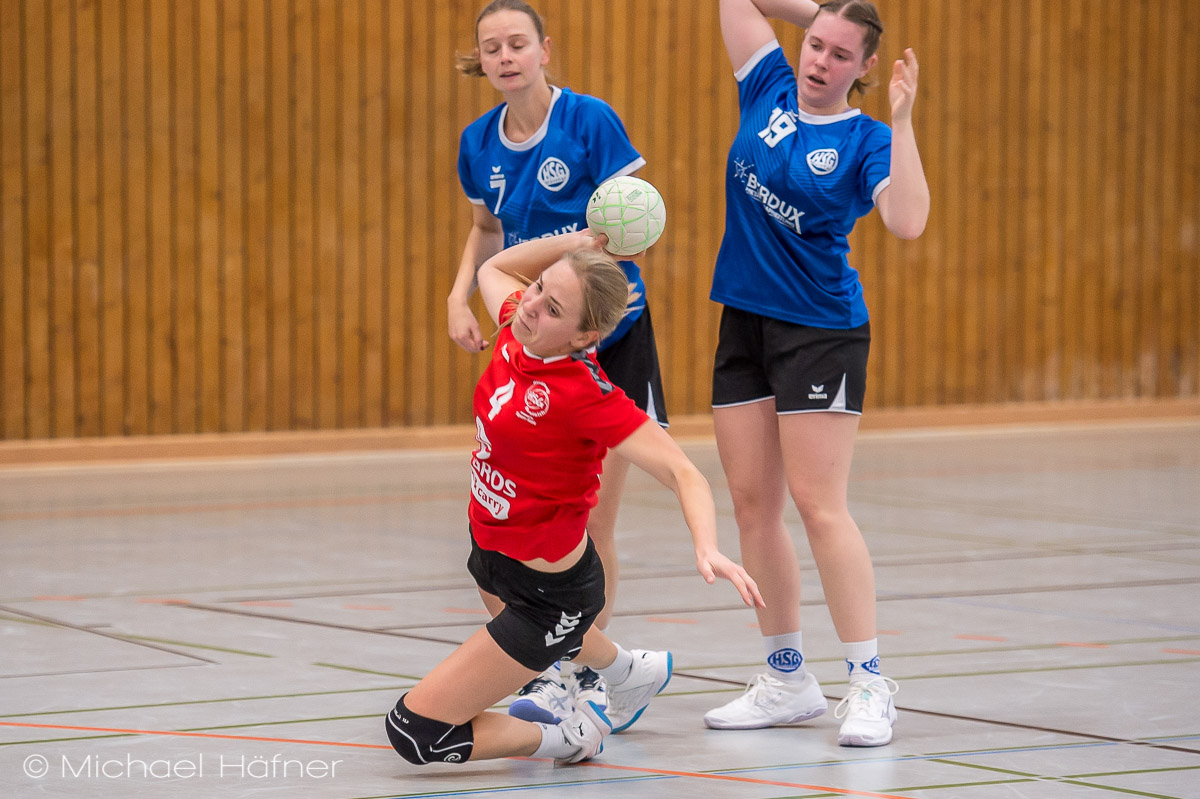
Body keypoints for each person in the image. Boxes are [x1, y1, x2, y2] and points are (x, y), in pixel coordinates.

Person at [384, 230, 763, 767]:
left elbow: (683, 471)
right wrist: (581, 241)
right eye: (538, 287)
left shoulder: (584, 394)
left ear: (585, 336)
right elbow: (494, 269)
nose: (531, 305)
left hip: (549, 596)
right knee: (549, 633)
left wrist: (707, 546)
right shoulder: (517, 328)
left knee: (416, 732)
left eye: (553, 308)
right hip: (490, 553)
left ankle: (570, 736)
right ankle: (630, 671)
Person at [702, 0, 929, 748]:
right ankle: (787, 678)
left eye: (840, 54)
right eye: (816, 44)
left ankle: (868, 682)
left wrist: (902, 121)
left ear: (865, 68)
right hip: (745, 318)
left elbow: (907, 221)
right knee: (751, 503)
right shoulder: (768, 83)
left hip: (820, 331)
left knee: (818, 503)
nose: (819, 60)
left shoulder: (866, 139)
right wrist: (826, 14)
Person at [449, 0, 672, 726]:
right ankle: (567, 672)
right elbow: (487, 231)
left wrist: (597, 256)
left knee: (590, 524)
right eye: (492, 47)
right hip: (532, 336)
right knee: (527, 525)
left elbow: (631, 225)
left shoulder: (589, 121)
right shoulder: (478, 142)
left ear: (545, 49)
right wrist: (458, 294)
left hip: (608, 341)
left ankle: (595, 681)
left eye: (517, 43)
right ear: (480, 60)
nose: (505, 56)